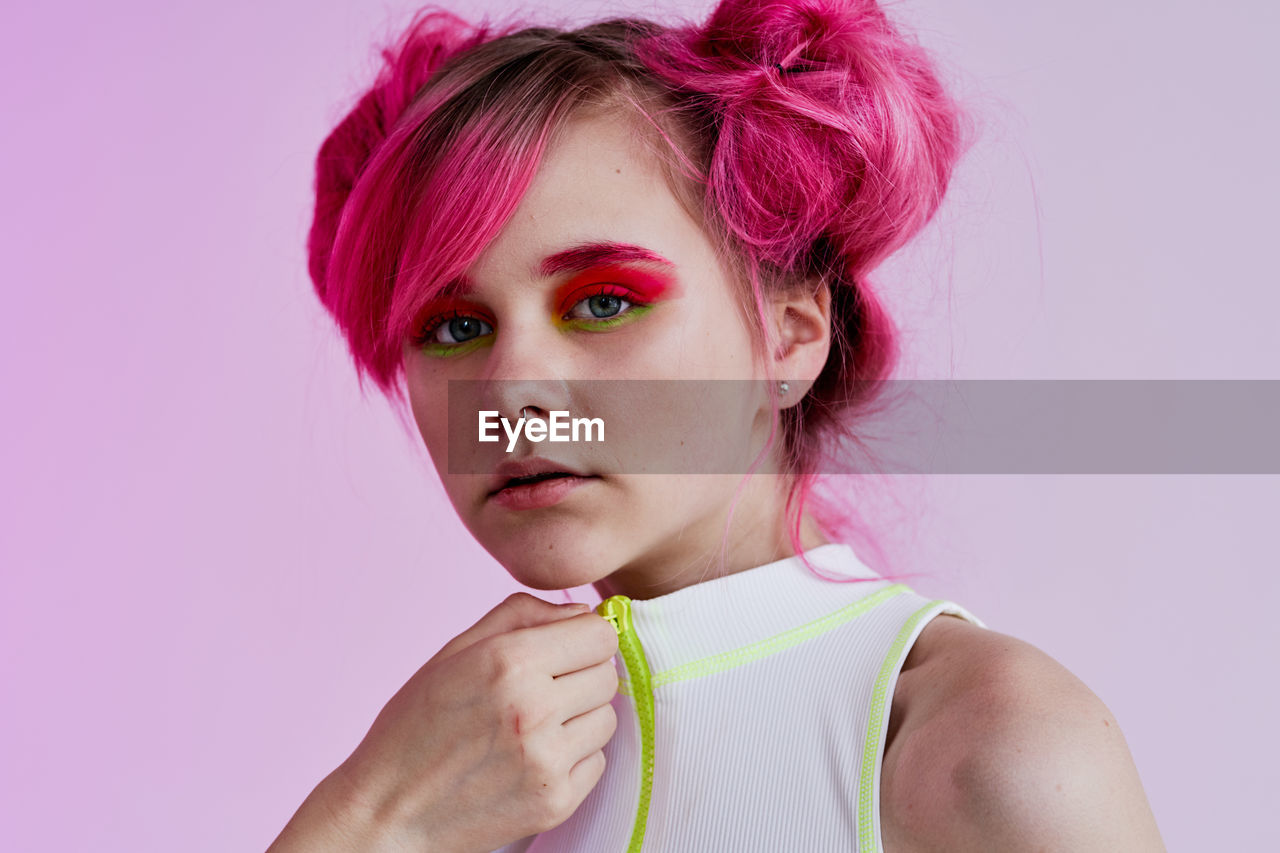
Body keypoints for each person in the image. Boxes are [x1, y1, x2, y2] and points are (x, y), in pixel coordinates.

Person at [269, 0, 1165, 850]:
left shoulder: (985, 747)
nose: (511, 392)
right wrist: (374, 818)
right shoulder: (466, 777)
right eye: (455, 327)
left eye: (605, 301)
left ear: (790, 332)